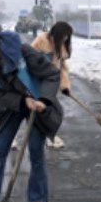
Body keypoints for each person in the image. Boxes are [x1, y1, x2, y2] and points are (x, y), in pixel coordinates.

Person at [0, 20, 62, 202]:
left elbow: (52, 74)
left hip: (37, 103)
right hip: (11, 106)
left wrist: (43, 99)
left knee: (35, 149)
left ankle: (37, 197)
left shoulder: (24, 52)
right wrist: (21, 101)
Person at [31, 21, 72, 149]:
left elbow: (62, 69)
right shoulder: (41, 40)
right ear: (57, 33)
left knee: (54, 113)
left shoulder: (62, 47)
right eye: (64, 35)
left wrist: (64, 87)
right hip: (36, 82)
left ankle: (50, 137)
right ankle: (13, 139)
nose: (66, 39)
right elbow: (28, 57)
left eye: (68, 37)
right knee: (29, 114)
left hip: (50, 85)